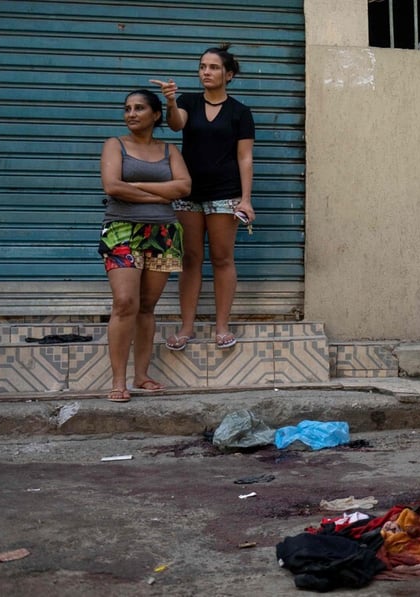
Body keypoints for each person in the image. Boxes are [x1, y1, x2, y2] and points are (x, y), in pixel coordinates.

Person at [150, 43, 255, 351]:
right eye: (202, 67)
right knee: (191, 260)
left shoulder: (240, 112)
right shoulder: (188, 102)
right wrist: (170, 101)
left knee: (222, 259)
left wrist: (245, 199)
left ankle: (222, 326)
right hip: (188, 193)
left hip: (225, 195)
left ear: (229, 74)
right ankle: (187, 328)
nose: (206, 72)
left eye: (213, 67)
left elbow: (245, 158)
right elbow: (175, 124)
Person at [99, 89, 191, 402]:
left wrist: (135, 186)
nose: (131, 114)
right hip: (121, 230)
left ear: (155, 115)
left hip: (163, 233)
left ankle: (141, 376)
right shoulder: (115, 145)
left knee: (147, 306)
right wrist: (160, 195)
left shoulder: (169, 150)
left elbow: (184, 186)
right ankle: (118, 381)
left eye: (139, 108)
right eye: (127, 108)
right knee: (125, 302)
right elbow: (112, 186)